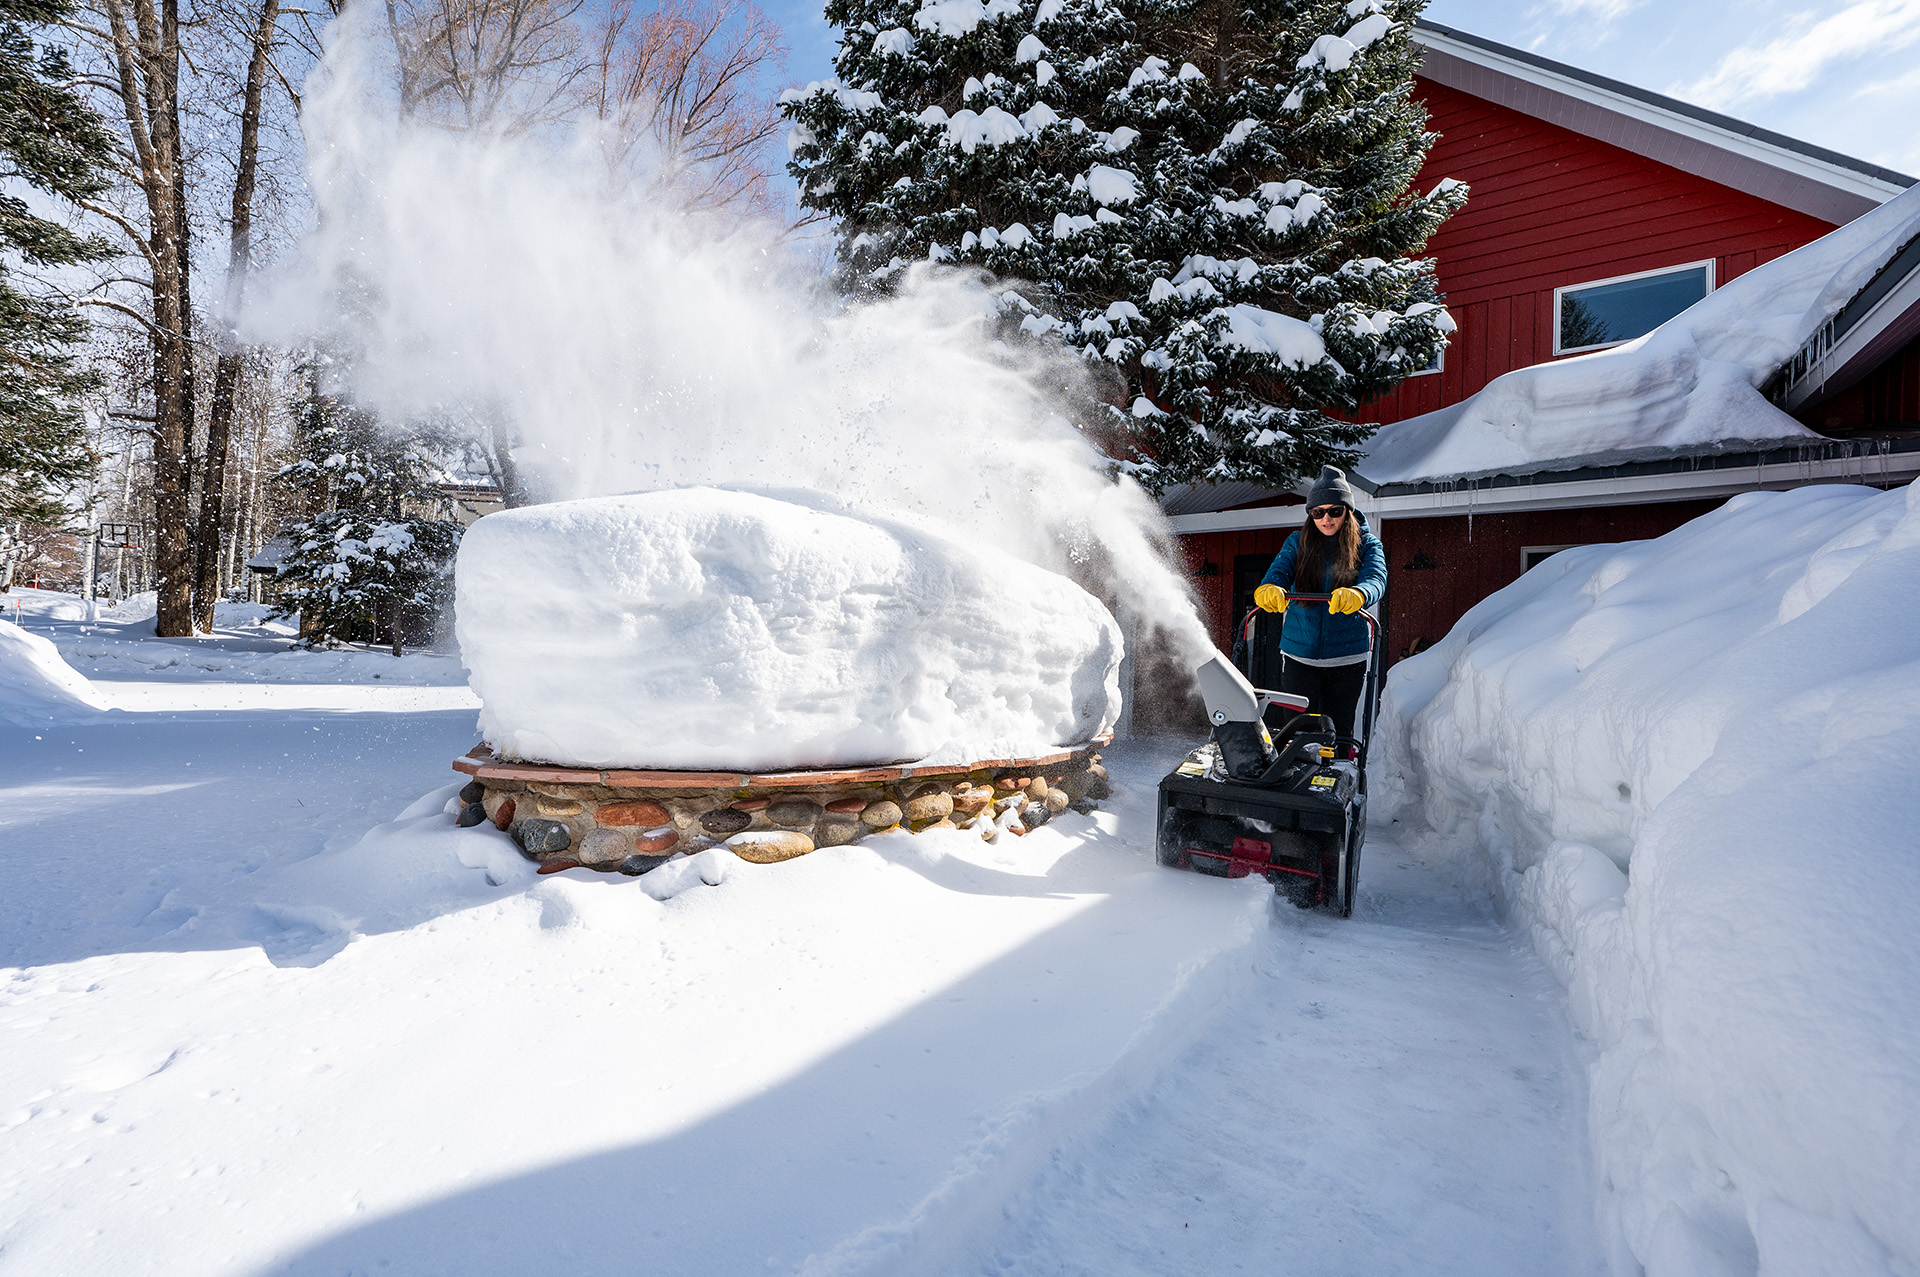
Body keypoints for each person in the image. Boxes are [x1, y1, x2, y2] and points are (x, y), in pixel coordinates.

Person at [1252, 465, 1387, 741]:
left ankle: (1338, 773)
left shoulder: (1366, 544)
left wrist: (1359, 594)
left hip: (1346, 657)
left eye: (1334, 511)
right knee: (1298, 731)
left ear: (1347, 511)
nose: (1326, 518)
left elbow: (1376, 578)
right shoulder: (1297, 542)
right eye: (1318, 512)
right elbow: (1278, 572)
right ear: (1311, 514)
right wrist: (1269, 588)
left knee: (1337, 731)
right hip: (1299, 656)